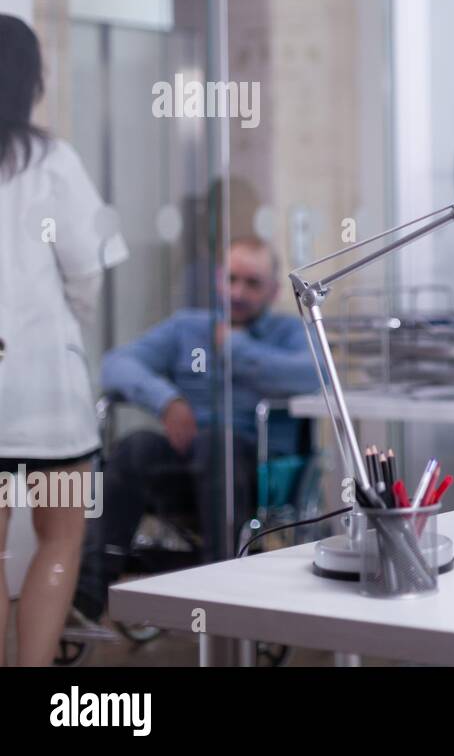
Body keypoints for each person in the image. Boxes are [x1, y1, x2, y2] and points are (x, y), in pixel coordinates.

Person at [73, 236, 319, 622]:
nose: (237, 293)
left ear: (273, 290)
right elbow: (116, 364)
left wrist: (235, 348)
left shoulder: (290, 331)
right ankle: (87, 594)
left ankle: (217, 588)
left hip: (254, 470)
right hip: (186, 463)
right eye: (231, 279)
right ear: (219, 279)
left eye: (252, 283)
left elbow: (313, 374)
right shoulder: (187, 327)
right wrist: (166, 400)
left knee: (216, 444)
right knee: (135, 446)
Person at [0, 14, 128, 664]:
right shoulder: (53, 162)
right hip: (49, 392)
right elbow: (88, 266)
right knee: (60, 539)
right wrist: (67, 321)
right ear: (32, 82)